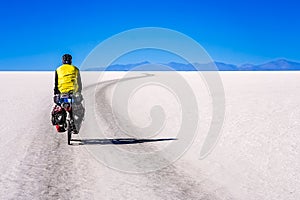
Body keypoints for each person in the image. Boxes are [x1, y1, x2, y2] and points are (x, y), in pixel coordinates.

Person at [52, 54, 84, 134]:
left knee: (60, 107)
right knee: (79, 109)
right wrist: (79, 92)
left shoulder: (58, 69)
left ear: (63, 61)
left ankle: (60, 126)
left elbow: (56, 83)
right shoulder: (75, 69)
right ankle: (75, 125)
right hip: (73, 93)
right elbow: (79, 83)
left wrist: (56, 94)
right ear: (71, 60)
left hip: (62, 93)